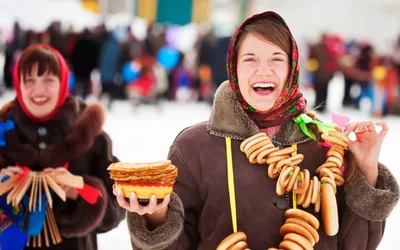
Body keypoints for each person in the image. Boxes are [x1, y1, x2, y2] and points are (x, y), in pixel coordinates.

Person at [115, 11, 399, 249]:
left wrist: (365, 165)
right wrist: (155, 216)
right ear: (234, 69)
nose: (263, 70)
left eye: (276, 59)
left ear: (292, 69)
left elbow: (358, 245)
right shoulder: (193, 147)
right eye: (250, 59)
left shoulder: (325, 145)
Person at [0, 44, 125, 250]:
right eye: (30, 81)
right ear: (18, 85)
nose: (39, 90)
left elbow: (116, 211)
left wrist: (82, 191)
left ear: (63, 83)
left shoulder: (92, 136)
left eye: (48, 80)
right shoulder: (4, 132)